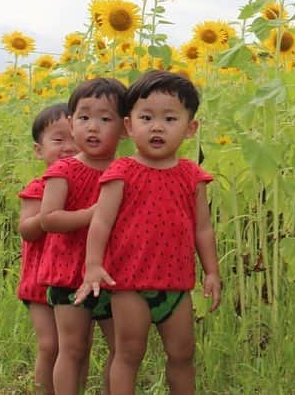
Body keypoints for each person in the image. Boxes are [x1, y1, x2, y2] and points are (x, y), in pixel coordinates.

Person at [75, 70, 221, 395]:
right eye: (146, 117)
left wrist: (211, 271)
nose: (157, 126)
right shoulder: (122, 171)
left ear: (190, 128)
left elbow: (203, 228)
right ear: (130, 125)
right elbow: (101, 222)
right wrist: (93, 265)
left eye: (170, 118)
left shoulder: (192, 176)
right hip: (130, 284)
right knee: (128, 354)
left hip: (177, 285)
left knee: (182, 354)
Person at [39, 77, 126, 395]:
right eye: (84, 117)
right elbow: (49, 219)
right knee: (73, 347)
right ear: (72, 123)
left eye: (106, 119)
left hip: (115, 274)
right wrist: (94, 214)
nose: (93, 127)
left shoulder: (127, 170)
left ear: (125, 127)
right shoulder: (63, 170)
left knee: (124, 348)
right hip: (68, 272)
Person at [18, 103, 79, 394]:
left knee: (75, 346)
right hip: (39, 280)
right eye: (58, 140)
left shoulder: (88, 185)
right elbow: (26, 230)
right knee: (49, 344)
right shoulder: (38, 187)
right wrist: (49, 215)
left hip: (73, 277)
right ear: (39, 150)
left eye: (74, 138)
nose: (68, 147)